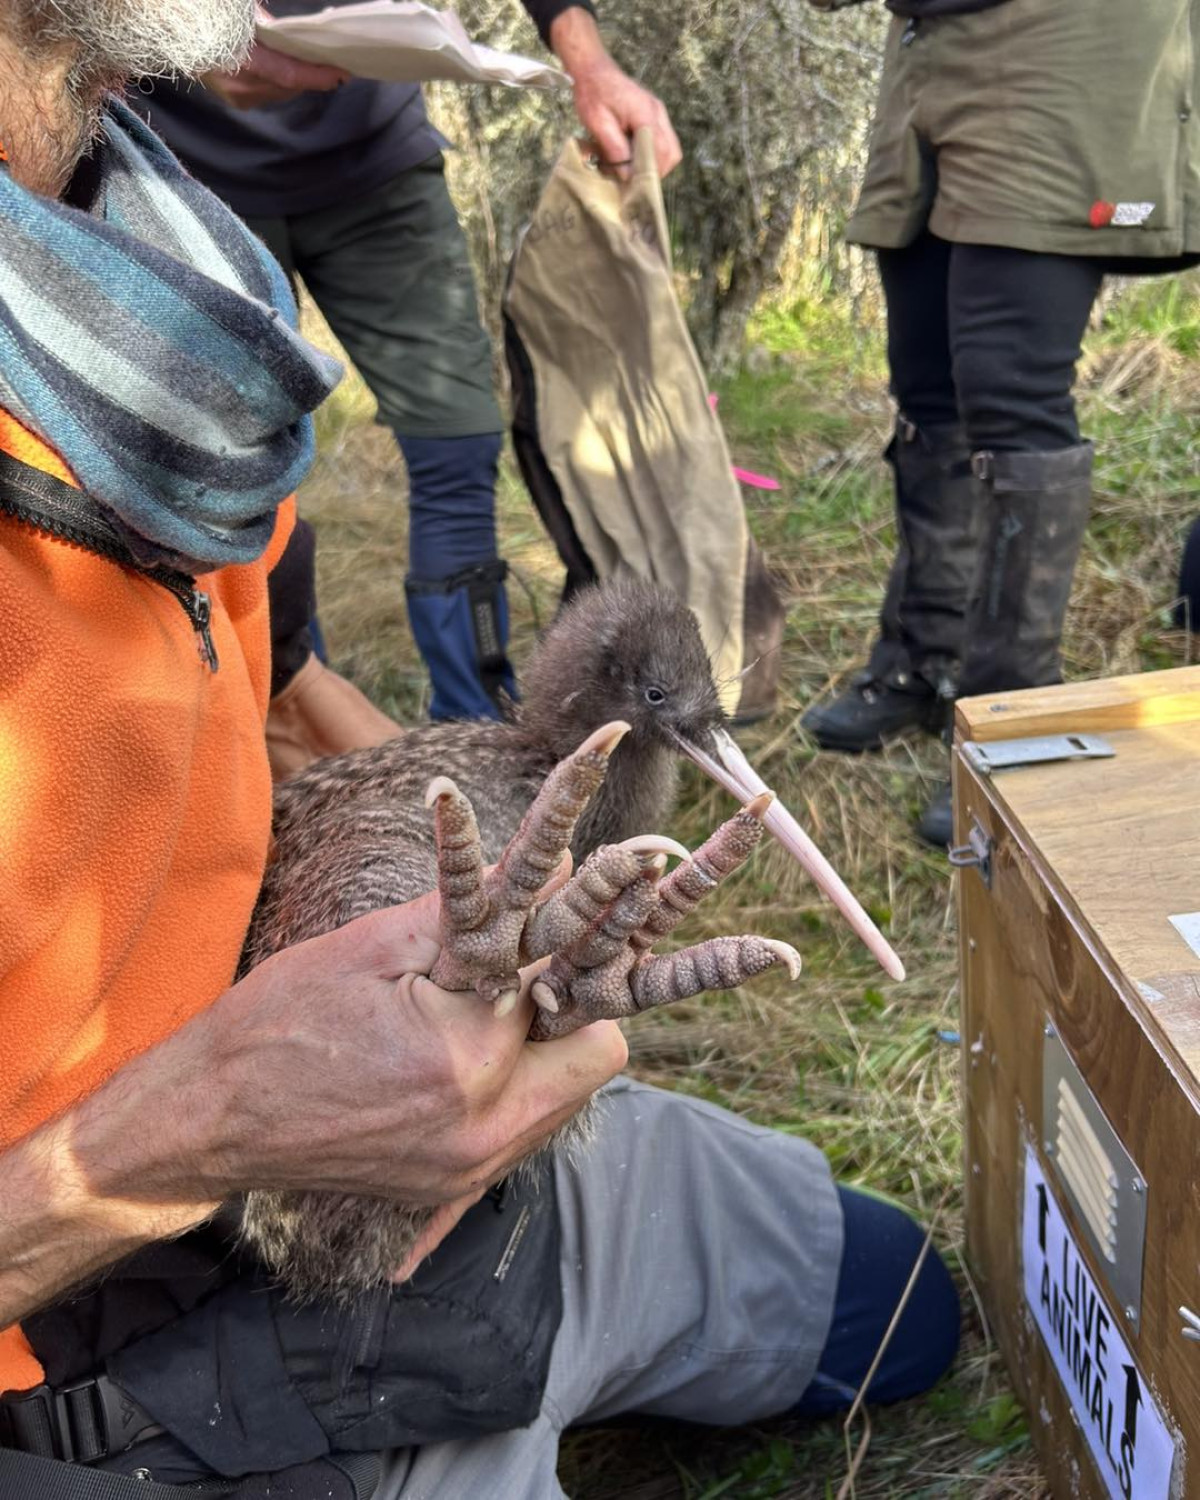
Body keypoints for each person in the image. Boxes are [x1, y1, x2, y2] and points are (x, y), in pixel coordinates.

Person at [0, 3, 957, 1495]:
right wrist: (197, 1128)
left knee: (905, 1304)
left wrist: (492, 902)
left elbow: (282, 678)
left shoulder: (157, 297)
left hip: (381, 1134)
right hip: (88, 1338)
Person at [131, 0, 681, 756]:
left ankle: (478, 737)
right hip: (180, 168)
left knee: (457, 443)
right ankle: (281, 726)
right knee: (233, 468)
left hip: (377, 165)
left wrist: (592, 66)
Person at [802, 0, 1200, 846]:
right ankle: (928, 659)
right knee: (926, 383)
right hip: (928, 55)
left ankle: (1017, 722)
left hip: (1065, 51)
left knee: (1008, 388)